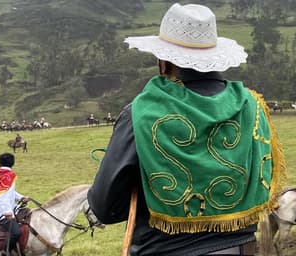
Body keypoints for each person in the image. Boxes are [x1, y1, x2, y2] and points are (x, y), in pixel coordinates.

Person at [88, 4, 285, 255]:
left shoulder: (142, 113)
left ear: (164, 62)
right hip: (241, 248)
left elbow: (105, 208)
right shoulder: (254, 106)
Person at [0, 153, 29, 255]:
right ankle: (5, 252)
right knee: (16, 232)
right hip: (1, 212)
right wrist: (7, 212)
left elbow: (9, 192)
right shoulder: (8, 176)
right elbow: (3, 197)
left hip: (3, 208)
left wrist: (21, 197)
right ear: (13, 163)